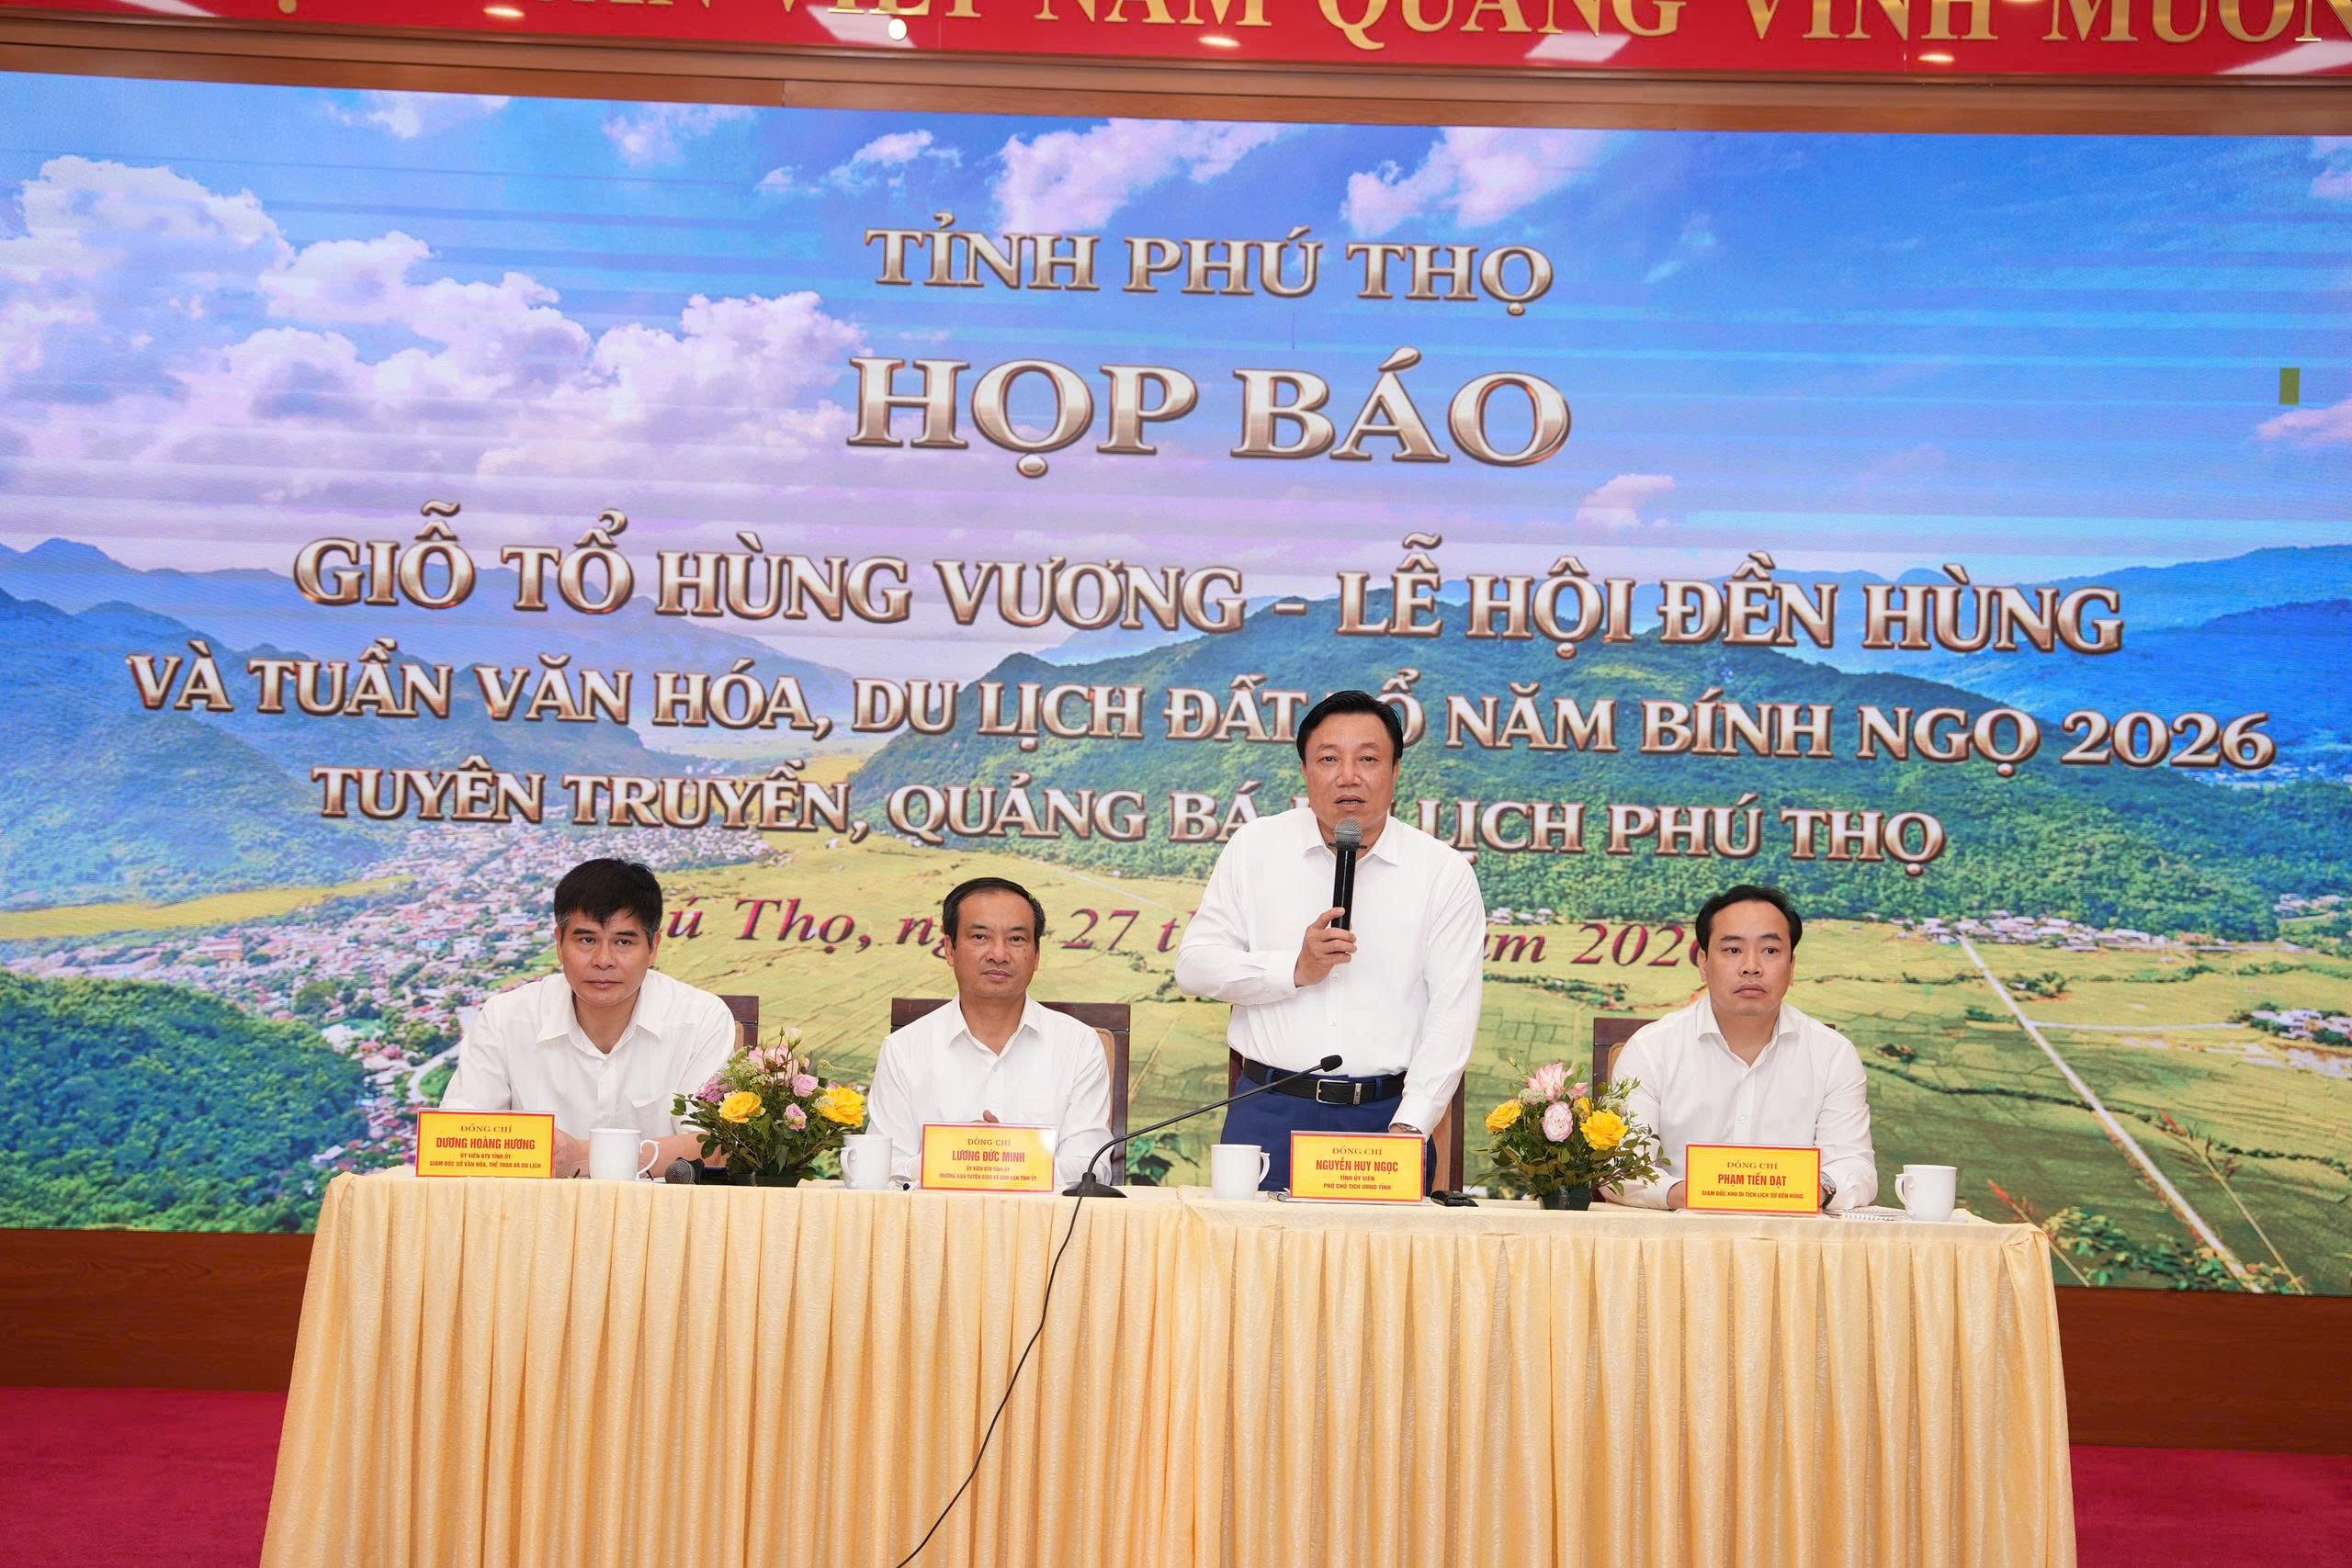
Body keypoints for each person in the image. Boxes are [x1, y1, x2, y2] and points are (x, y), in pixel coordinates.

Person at [1175, 689, 1483, 1192]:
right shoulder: (1255, 848)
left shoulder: (1442, 872)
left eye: (1368, 759)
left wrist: (1410, 1126)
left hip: (1385, 1118)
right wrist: (1294, 970)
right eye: (1329, 759)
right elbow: (1195, 966)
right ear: (1305, 770)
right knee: (1248, 1247)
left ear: (1395, 771)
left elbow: (1453, 1013)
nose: (1349, 776)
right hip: (1269, 1110)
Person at [439, 858, 736, 1179]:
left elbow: (713, 1147)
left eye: (623, 942)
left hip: (660, 1208)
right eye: (587, 940)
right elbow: (457, 1138)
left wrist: (581, 1156)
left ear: (653, 948)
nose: (603, 960)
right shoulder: (505, 1018)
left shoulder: (702, 1019)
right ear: (559, 943)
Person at [1606, 884, 1878, 1213]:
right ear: (1703, 963)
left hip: (1791, 1237)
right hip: (1680, 1234)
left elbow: (1855, 1167)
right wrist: (1692, 1194)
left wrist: (1811, 1189)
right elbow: (1621, 1168)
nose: (1751, 966)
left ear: (1792, 966)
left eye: (1770, 951)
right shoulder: (1651, 1049)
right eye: (1733, 950)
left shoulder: (1833, 1054)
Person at [865, 876, 1115, 1188]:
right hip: (935, 1218)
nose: (999, 954)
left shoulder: (1079, 1045)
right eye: (980, 937)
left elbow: (1092, 1169)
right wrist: (957, 1157)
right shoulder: (904, 1048)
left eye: (1016, 939)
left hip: (1044, 1219)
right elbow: (884, 1169)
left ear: (1036, 954)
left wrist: (1003, 1159)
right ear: (950, 949)